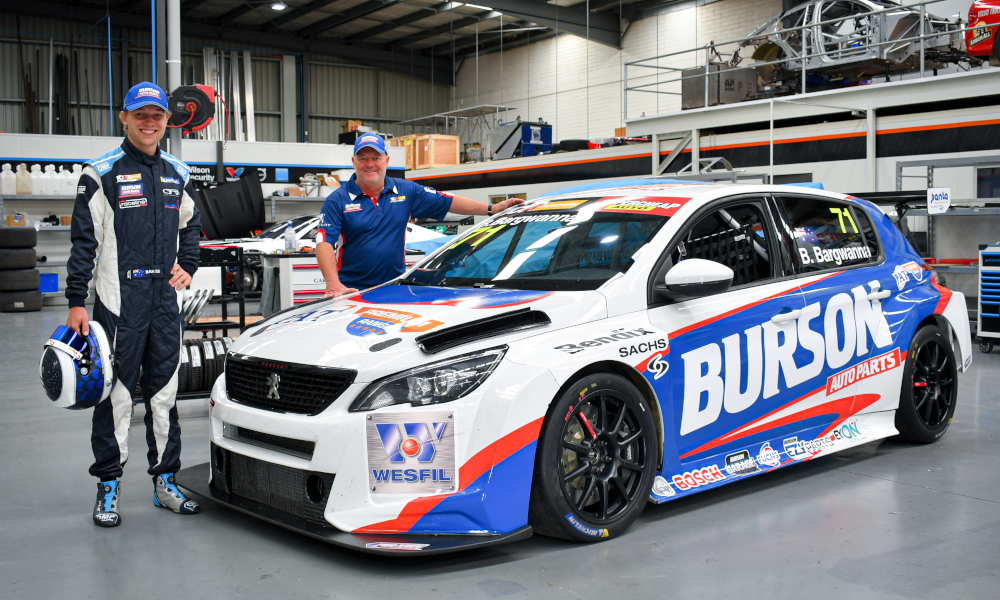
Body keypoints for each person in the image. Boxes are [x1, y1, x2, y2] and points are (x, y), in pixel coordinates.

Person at [65, 82, 203, 527]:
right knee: (117, 397)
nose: (149, 122)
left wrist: (189, 265)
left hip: (164, 303)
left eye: (157, 115)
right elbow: (84, 242)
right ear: (123, 118)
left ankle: (165, 482)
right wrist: (75, 302)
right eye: (139, 114)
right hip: (117, 303)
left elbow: (192, 226)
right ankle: (108, 486)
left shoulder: (178, 173)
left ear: (167, 121)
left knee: (164, 395)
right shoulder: (100, 173)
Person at [316, 133, 524, 297]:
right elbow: (324, 242)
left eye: (376, 158)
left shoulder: (407, 191)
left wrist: (491, 209)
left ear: (386, 160)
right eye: (363, 158)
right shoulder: (337, 200)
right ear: (353, 161)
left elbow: (448, 200)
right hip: (353, 290)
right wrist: (334, 284)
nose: (370, 164)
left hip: (394, 287)